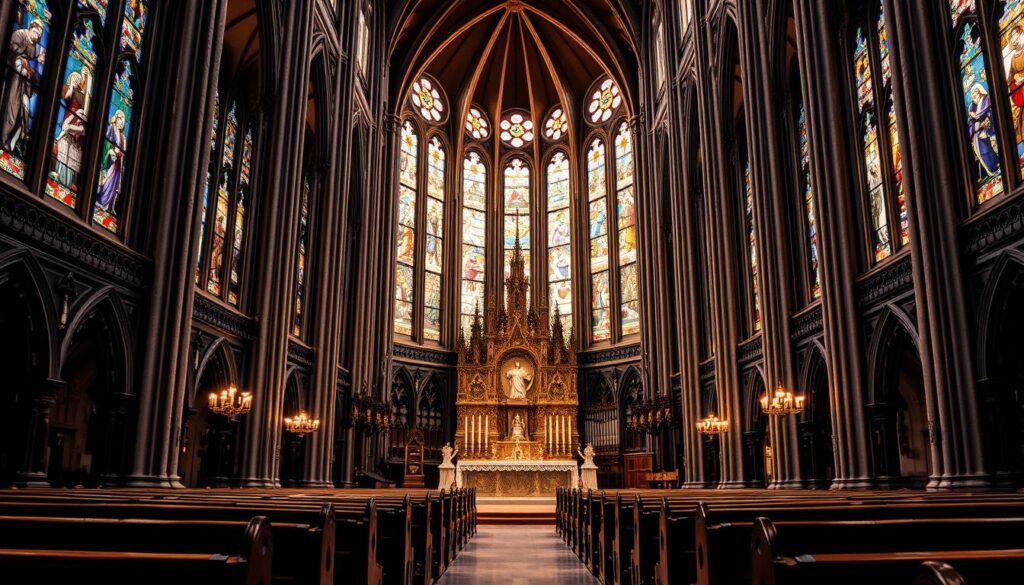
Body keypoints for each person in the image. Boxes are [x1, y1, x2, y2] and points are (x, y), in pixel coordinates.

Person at [3, 19, 45, 154]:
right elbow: (12, 49)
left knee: (22, 115)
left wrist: (35, 60)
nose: (38, 37)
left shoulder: (34, 47)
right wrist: (23, 60)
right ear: (31, 28)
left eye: (40, 35)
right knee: (12, 110)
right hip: (12, 78)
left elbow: (29, 62)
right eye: (37, 33)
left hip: (22, 82)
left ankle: (9, 145)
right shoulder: (20, 34)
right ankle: (3, 140)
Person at [96, 109, 127, 212]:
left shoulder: (122, 136)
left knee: (113, 184)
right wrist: (110, 150)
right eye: (119, 118)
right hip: (109, 160)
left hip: (117, 162)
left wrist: (120, 153)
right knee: (107, 180)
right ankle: (99, 202)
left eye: (122, 120)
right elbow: (105, 141)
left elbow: (124, 150)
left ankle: (105, 206)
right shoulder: (111, 128)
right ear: (115, 118)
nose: (120, 121)